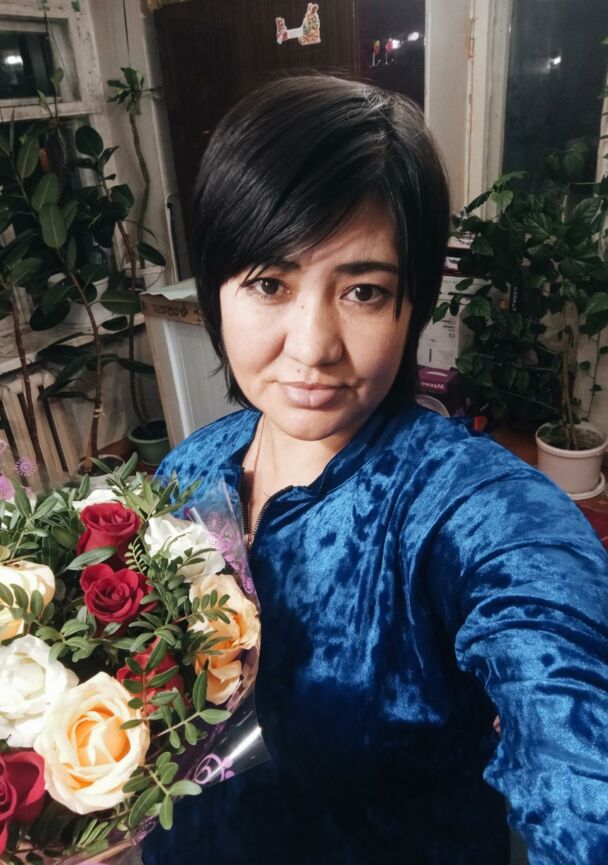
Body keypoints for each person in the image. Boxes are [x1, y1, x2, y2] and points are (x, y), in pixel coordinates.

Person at [143, 75, 608, 864]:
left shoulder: (470, 509)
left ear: (411, 304)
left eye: (362, 290)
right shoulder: (188, 468)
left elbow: (577, 745)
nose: (313, 345)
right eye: (269, 283)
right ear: (218, 287)